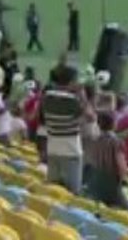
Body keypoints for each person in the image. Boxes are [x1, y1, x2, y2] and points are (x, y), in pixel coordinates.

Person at [41, 63, 88, 194]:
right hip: (70, 151)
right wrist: (82, 95)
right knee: (72, 192)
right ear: (72, 81)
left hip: (53, 148)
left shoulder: (47, 96)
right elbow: (90, 116)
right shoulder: (72, 100)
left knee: (52, 191)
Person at [89, 111, 128, 208]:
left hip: (96, 177)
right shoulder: (116, 142)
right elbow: (120, 163)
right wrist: (124, 179)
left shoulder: (96, 140)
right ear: (114, 124)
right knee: (125, 207)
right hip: (111, 180)